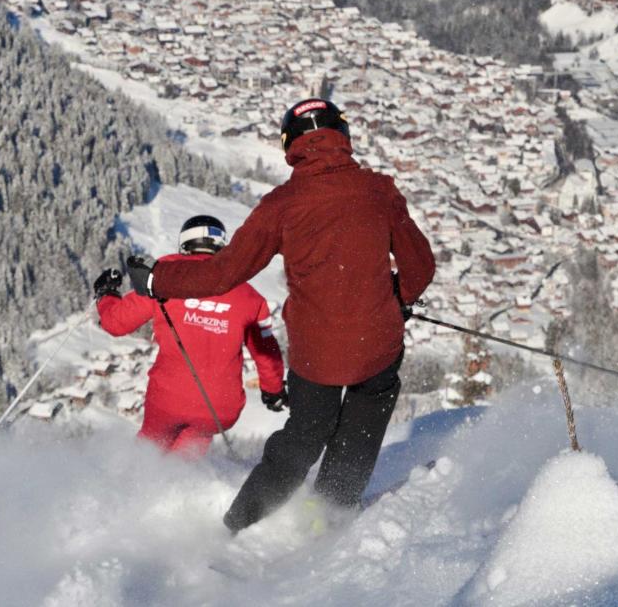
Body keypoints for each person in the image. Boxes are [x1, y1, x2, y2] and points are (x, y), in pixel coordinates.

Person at [126, 98, 435, 532]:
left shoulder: (282, 205)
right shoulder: (379, 191)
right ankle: (330, 512)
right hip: (377, 343)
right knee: (364, 418)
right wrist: (396, 299)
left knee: (305, 433)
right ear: (341, 137)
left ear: (291, 145)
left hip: (316, 353)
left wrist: (159, 280)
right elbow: (421, 268)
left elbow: (223, 273)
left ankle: (240, 522)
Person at [94, 215, 287, 458]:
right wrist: (274, 390)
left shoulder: (164, 278)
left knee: (146, 457)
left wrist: (106, 294)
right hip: (219, 407)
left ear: (185, 244)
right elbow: (267, 353)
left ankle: (128, 490)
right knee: (184, 462)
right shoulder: (249, 296)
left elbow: (116, 323)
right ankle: (183, 489)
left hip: (169, 398)